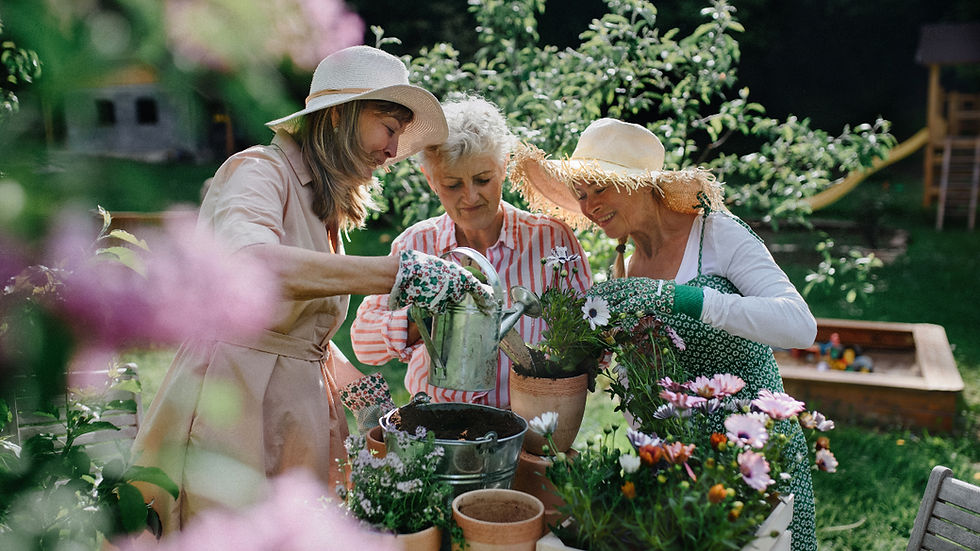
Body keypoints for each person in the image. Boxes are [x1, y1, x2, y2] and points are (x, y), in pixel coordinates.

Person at [130, 46, 492, 534]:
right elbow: (250, 263)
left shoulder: (320, 205)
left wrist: (370, 400)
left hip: (294, 414)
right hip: (237, 411)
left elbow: (301, 338)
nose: (392, 151)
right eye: (389, 128)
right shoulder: (258, 170)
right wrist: (398, 273)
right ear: (340, 115)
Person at [510, 118, 819, 551]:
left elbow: (799, 325)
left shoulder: (716, 233)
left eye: (599, 188)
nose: (589, 206)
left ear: (640, 183)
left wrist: (678, 297)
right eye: (580, 195)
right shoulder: (628, 266)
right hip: (680, 459)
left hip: (750, 450)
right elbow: (650, 378)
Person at [350, 95, 591, 408]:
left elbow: (593, 340)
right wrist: (420, 319)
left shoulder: (551, 242)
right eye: (452, 184)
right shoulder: (417, 244)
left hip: (529, 427)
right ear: (431, 181)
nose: (471, 197)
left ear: (504, 167)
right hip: (438, 427)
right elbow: (363, 344)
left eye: (483, 179)